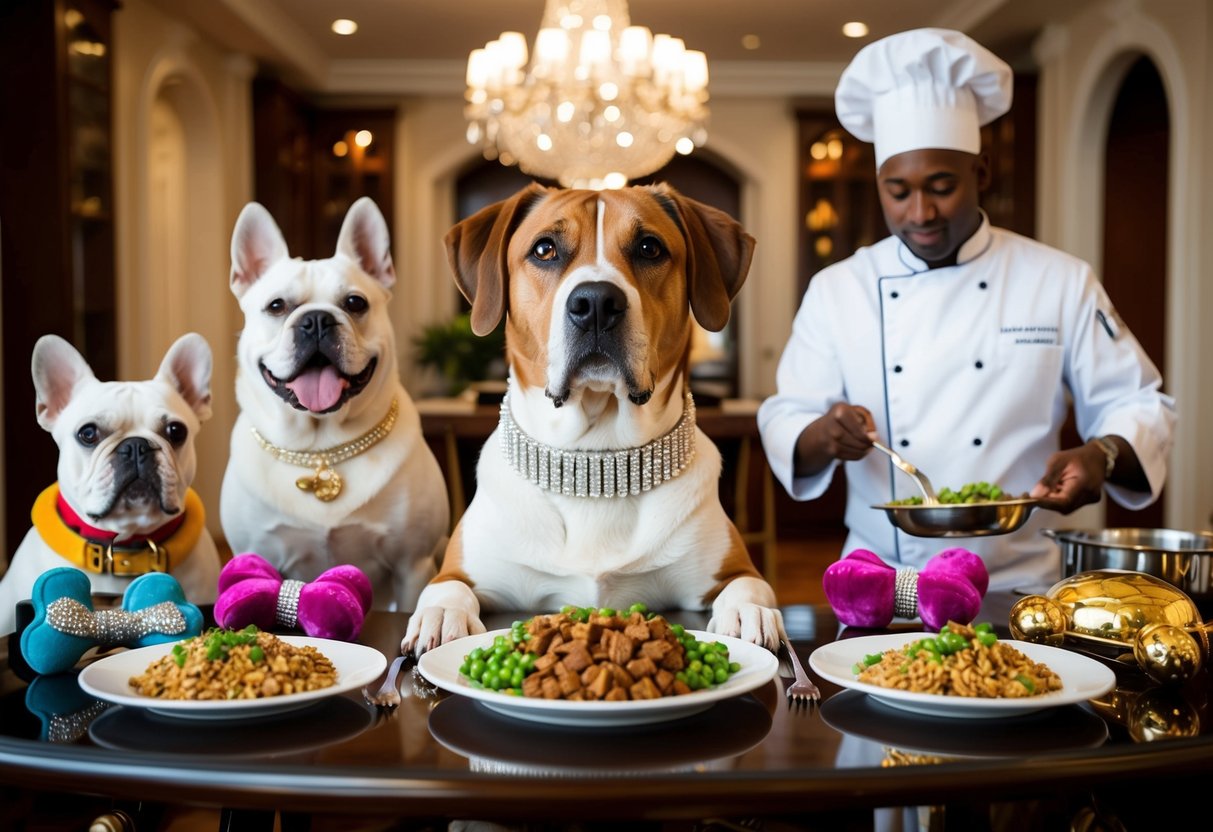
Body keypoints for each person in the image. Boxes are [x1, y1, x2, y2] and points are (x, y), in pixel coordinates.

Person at [758, 28, 1177, 593]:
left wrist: (1102, 454)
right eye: (898, 191)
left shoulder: (1058, 279)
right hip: (883, 584)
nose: (920, 211)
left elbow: (1137, 400)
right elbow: (786, 417)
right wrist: (824, 434)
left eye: (941, 186)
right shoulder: (840, 289)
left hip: (1019, 585)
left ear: (981, 174)